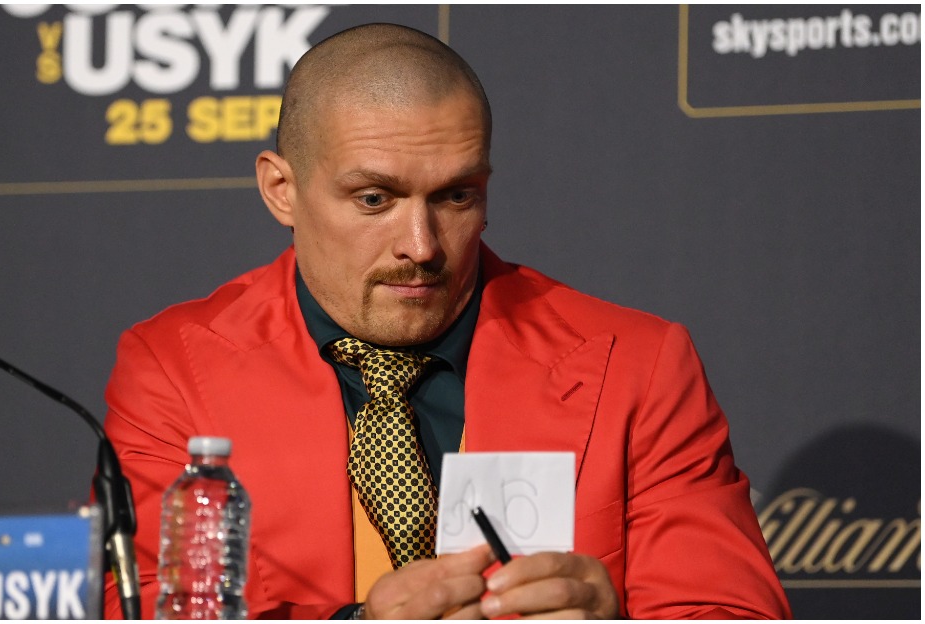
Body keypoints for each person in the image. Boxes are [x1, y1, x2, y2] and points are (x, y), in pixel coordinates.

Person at [101, 23, 791, 619]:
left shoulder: (637, 366)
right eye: (375, 199)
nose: (422, 246)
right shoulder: (175, 368)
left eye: (456, 196)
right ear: (281, 189)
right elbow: (143, 607)